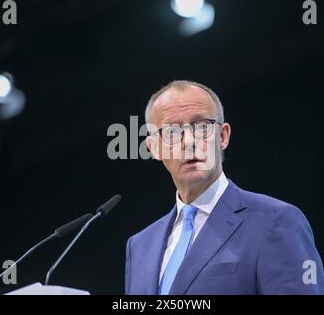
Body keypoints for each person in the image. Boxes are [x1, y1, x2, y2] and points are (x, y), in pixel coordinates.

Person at [125, 80, 324, 294]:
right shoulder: (139, 246)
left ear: (222, 136)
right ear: (154, 148)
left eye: (201, 127)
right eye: (172, 132)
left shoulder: (276, 221)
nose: (189, 141)